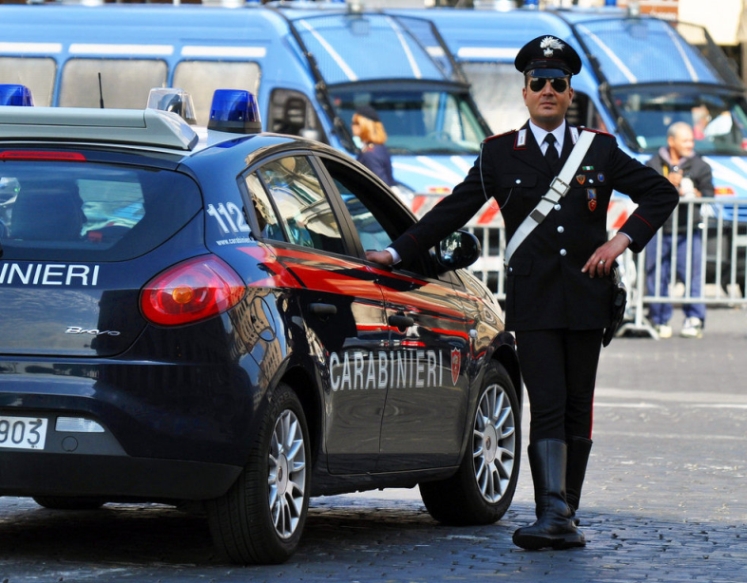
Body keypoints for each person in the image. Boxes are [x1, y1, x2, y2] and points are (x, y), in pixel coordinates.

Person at [366, 35, 679, 551]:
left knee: (579, 406)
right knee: (550, 403)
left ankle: (565, 511)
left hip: (587, 298)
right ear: (526, 91)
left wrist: (621, 241)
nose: (549, 91)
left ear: (570, 91)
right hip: (534, 303)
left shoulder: (597, 149)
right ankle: (552, 510)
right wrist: (396, 254)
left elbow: (660, 192)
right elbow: (453, 210)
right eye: (539, 83)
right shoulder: (498, 154)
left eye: (559, 83)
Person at [645, 122, 714, 339]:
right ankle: (659, 320)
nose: (690, 144)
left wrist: (693, 192)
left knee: (692, 274)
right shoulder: (653, 163)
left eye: (692, 140)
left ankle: (694, 319)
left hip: (688, 228)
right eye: (685, 140)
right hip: (657, 228)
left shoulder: (701, 166)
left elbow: (709, 193)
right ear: (671, 141)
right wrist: (665, 182)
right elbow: (643, 188)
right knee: (656, 274)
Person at [351, 105, 396, 187]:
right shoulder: (379, 148)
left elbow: (381, 186)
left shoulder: (370, 153)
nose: (352, 126)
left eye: (355, 123)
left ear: (364, 125)